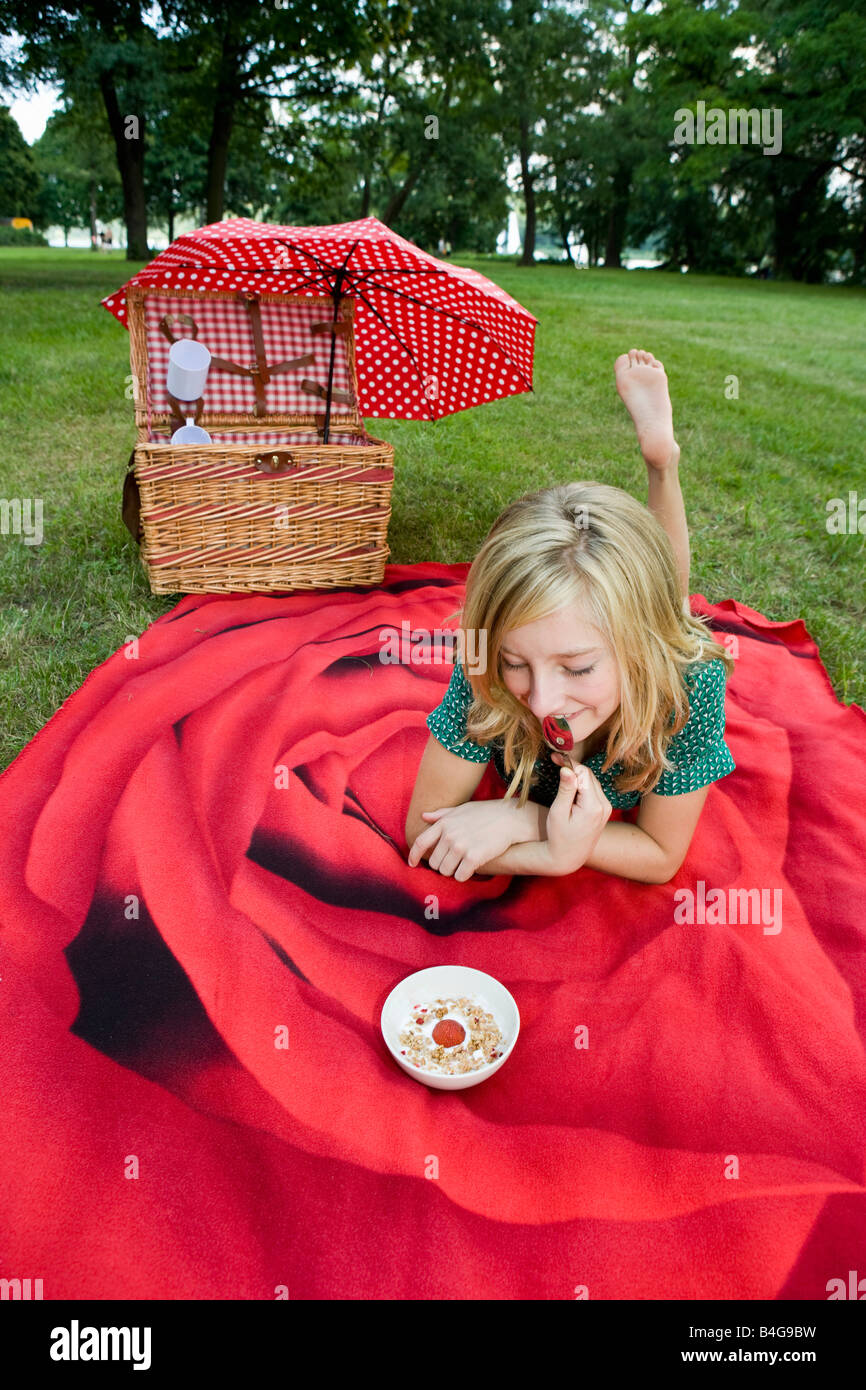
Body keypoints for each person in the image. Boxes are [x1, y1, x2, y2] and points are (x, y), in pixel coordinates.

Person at [404, 348, 736, 885]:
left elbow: (660, 854)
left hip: (658, 644)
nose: (540, 702)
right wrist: (552, 855)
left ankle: (662, 463)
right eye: (517, 662)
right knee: (649, 600)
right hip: (633, 633)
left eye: (578, 668)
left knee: (669, 609)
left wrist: (527, 820)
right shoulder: (486, 665)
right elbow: (424, 833)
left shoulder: (689, 684)